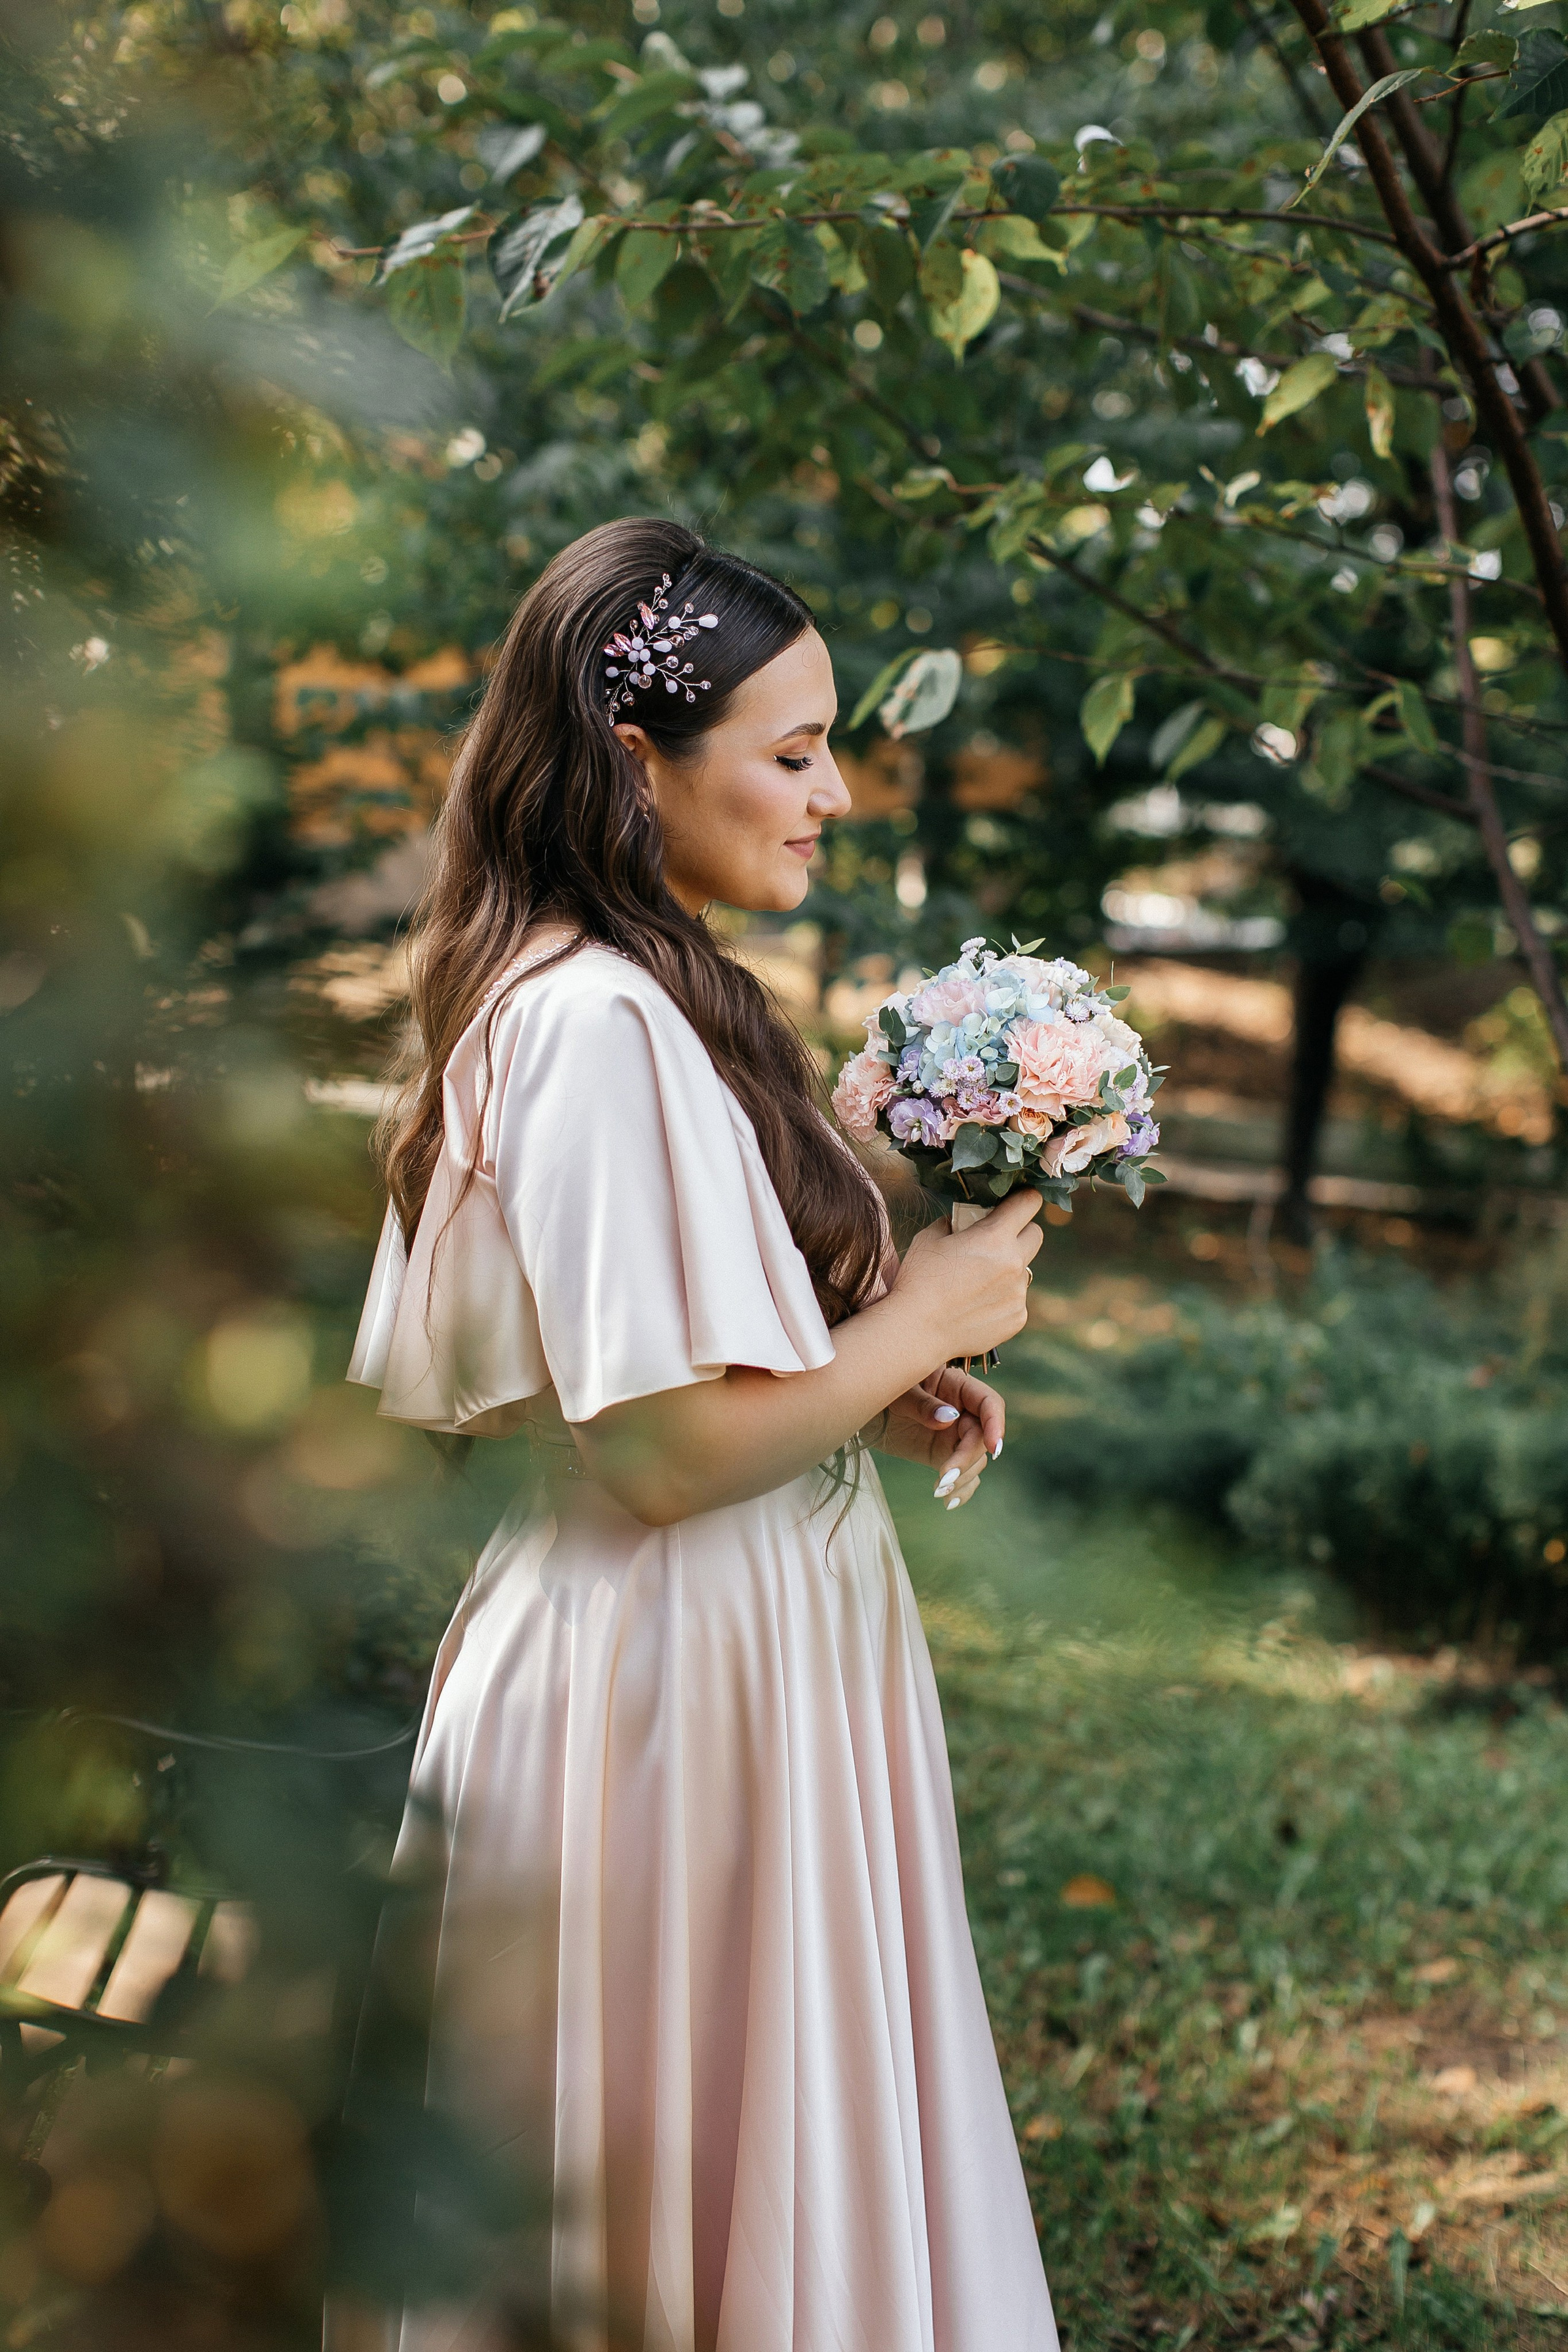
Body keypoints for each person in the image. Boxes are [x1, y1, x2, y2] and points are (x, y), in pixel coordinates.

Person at [348, 516, 1057, 2352]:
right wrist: (928, 1312)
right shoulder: (591, 1022)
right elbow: (647, 1463)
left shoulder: (624, 1000)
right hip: (660, 1687)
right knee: (666, 2204)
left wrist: (851, 1389)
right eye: (796, 750)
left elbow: (659, 1388)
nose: (835, 796)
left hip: (723, 1657)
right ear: (633, 757)